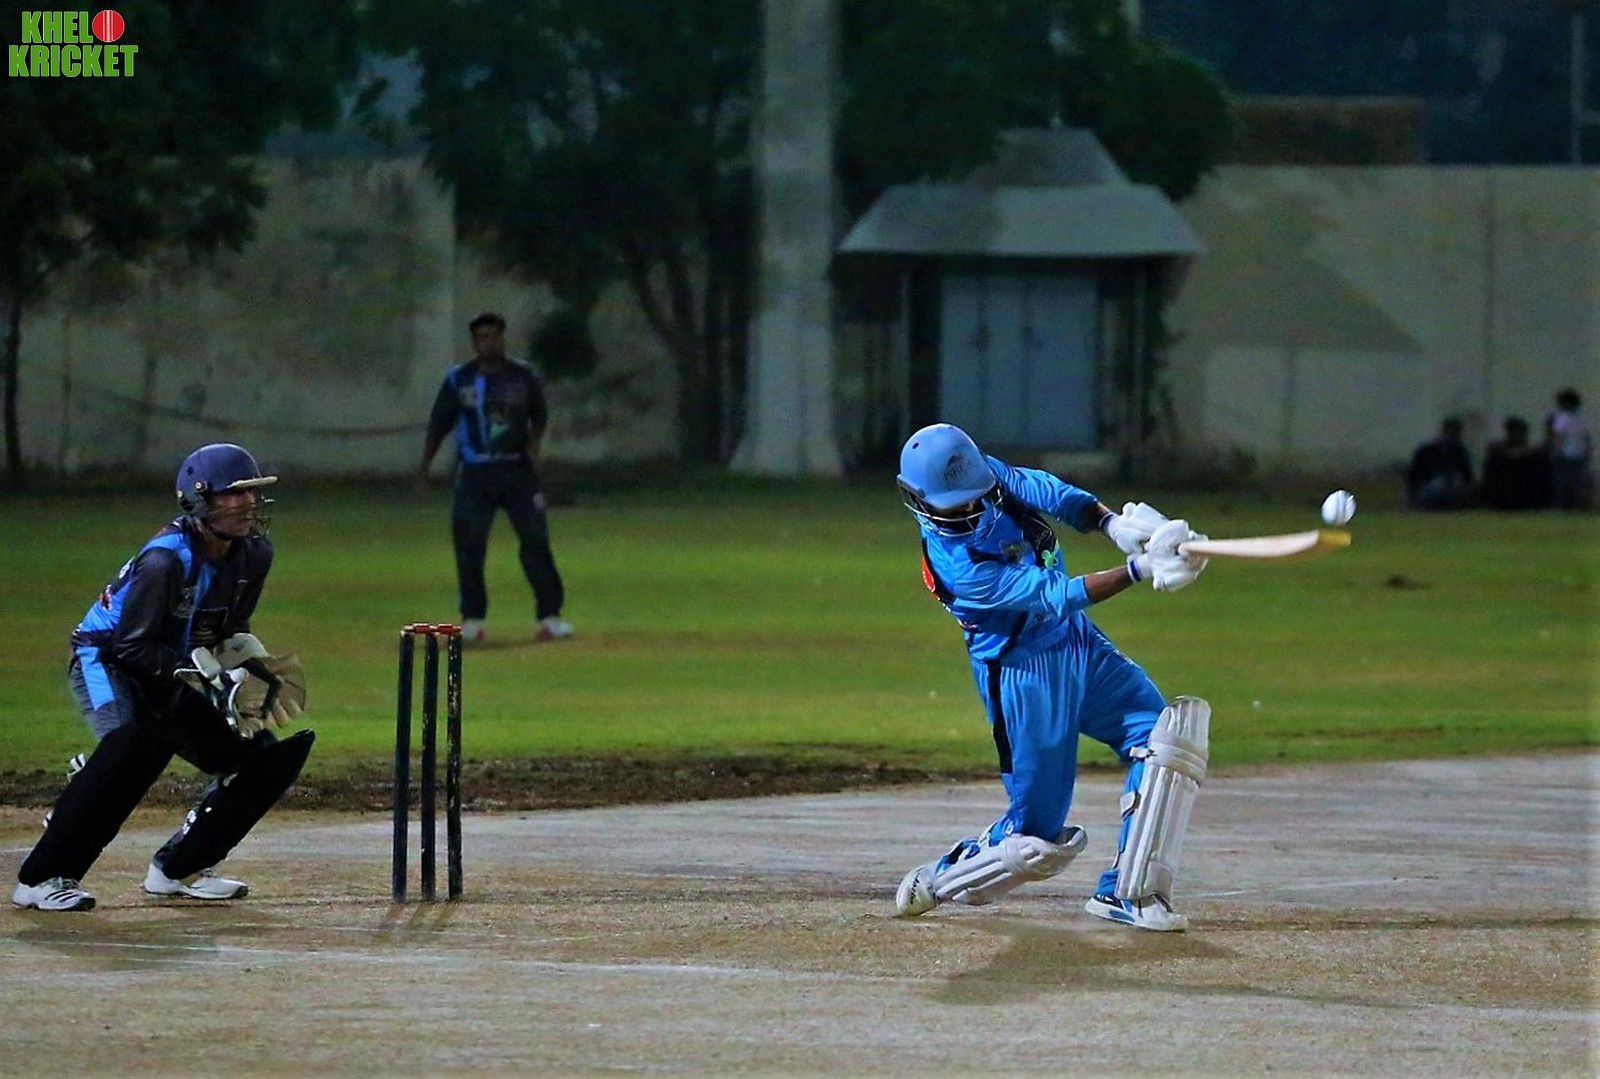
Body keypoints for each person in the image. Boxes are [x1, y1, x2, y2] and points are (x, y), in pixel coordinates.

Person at [892, 423, 1213, 932]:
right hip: (1024, 674)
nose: (971, 508)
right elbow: (1053, 594)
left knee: (1164, 738)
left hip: (1077, 643)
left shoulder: (985, 477)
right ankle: (944, 877)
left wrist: (1112, 523)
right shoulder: (958, 565)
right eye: (956, 506)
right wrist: (1139, 569)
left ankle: (1129, 892)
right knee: (1036, 841)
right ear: (919, 500)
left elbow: (1052, 493)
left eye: (974, 495)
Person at [12, 444, 313, 912]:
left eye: (251, 493)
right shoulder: (165, 561)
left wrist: (248, 668)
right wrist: (204, 678)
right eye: (233, 494)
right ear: (198, 499)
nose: (247, 503)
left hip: (171, 665)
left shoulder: (255, 554)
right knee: (131, 748)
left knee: (259, 758)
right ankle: (42, 877)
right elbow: (132, 646)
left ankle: (180, 868)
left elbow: (229, 627)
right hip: (107, 658)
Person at [419, 311, 572, 644]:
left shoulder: (522, 376)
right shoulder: (458, 379)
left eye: (494, 336)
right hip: (476, 473)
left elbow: (539, 414)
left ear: (503, 338)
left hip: (516, 471)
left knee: (535, 539)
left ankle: (550, 616)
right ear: (474, 342)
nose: (488, 343)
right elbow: (439, 422)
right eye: (482, 337)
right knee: (469, 545)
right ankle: (472, 619)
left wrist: (534, 446)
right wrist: (426, 466)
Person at [1482, 416, 1551, 511]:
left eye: (1519, 432)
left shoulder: (1532, 453)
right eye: (1514, 432)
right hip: (1503, 492)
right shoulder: (1498, 451)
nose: (1517, 435)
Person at [1406, 416, 1474, 510]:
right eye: (1451, 433)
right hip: (1427, 489)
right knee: (1440, 483)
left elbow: (1467, 476)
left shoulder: (1460, 452)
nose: (1453, 437)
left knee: (1450, 482)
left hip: (1450, 490)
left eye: (1456, 434)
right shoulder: (1425, 451)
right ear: (1443, 432)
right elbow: (1414, 476)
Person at [1544, 388, 1593, 511]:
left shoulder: (1562, 418)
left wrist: (1553, 451)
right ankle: (1576, 506)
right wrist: (1587, 454)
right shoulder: (1581, 419)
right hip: (1579, 455)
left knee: (1560, 482)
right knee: (1576, 483)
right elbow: (1587, 439)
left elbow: (1558, 436)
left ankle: (1560, 506)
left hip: (1564, 455)